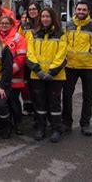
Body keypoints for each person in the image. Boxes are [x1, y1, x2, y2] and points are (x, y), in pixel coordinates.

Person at [62, 1, 92, 136]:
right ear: (75, 10)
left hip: (88, 67)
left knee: (88, 97)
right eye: (79, 9)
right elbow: (63, 43)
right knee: (67, 96)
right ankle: (66, 123)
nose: (81, 11)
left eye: (84, 10)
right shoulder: (68, 26)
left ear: (88, 11)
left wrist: (90, 57)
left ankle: (85, 124)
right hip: (70, 66)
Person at [26, 8, 68, 143]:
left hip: (55, 77)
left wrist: (51, 72)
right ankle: (40, 128)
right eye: (43, 16)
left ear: (52, 18)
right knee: (40, 103)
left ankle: (56, 129)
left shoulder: (61, 35)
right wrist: (37, 70)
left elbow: (61, 56)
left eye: (47, 16)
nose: (45, 19)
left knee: (54, 103)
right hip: (37, 75)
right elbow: (30, 54)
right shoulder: (34, 34)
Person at [0, 15, 27, 135]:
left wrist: (8, 72)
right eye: (2, 23)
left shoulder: (18, 38)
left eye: (7, 23)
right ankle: (7, 124)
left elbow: (21, 58)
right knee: (4, 102)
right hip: (1, 77)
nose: (4, 25)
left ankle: (18, 124)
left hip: (15, 77)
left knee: (14, 101)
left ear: (12, 25)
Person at [19, 1, 41, 115]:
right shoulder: (24, 26)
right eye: (30, 9)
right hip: (27, 60)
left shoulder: (43, 24)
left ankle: (39, 108)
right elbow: (19, 41)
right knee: (28, 85)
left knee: (38, 86)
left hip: (40, 60)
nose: (32, 11)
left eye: (34, 9)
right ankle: (29, 107)